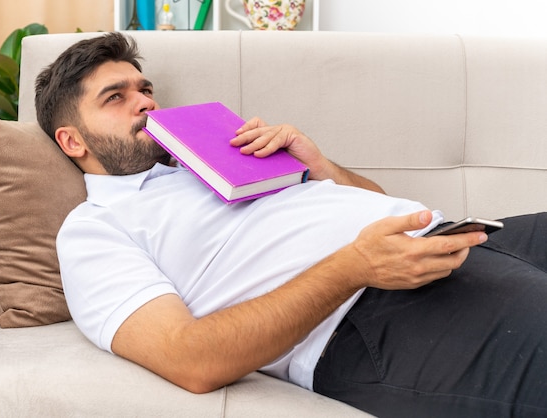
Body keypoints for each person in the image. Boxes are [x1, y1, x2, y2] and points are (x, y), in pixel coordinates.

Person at [34, 32, 547, 417]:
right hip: (367, 318)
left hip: (446, 239)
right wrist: (352, 267)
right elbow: (189, 359)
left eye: (145, 90)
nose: (145, 102)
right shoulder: (93, 229)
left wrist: (323, 168)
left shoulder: (213, 162)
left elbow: (381, 207)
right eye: (115, 97)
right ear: (73, 141)